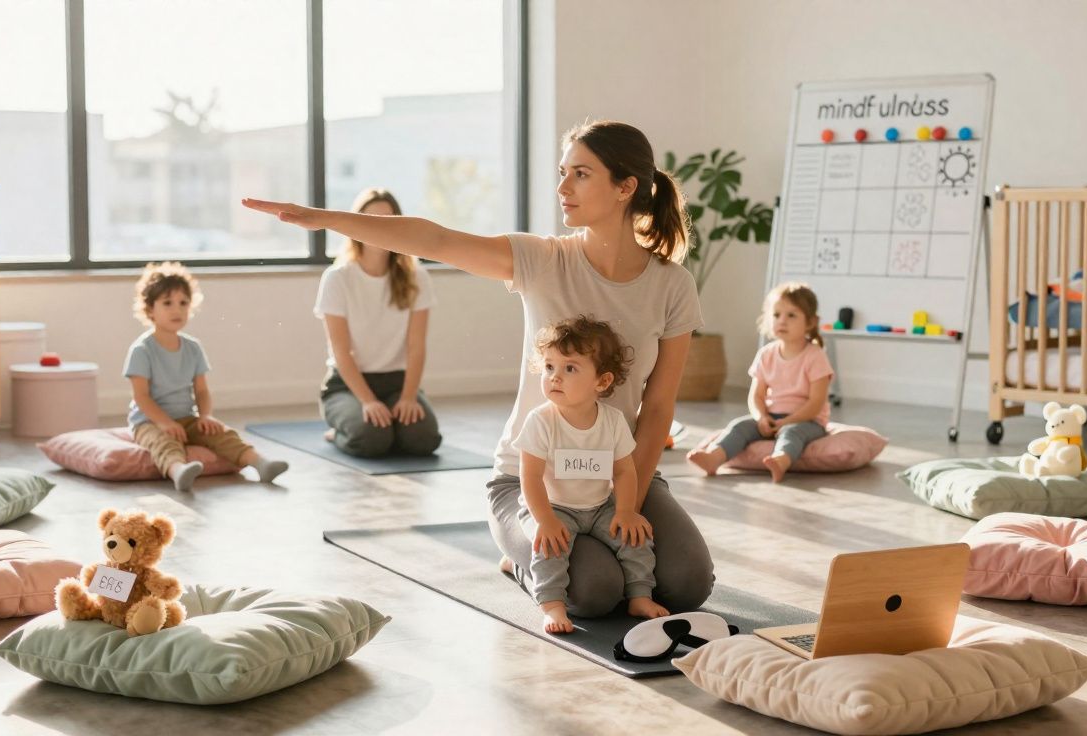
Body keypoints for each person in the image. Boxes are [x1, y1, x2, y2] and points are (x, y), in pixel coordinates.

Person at [244, 119, 714, 616]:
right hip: (530, 480)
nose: (562, 188)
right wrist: (327, 219)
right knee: (596, 591)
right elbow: (437, 240)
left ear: (625, 187)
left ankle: (559, 551)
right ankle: (519, 555)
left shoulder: (672, 284)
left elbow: (659, 405)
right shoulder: (542, 260)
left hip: (615, 474)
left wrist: (629, 501)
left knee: (686, 583)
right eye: (562, 172)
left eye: (580, 174)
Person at [515, 315, 667, 633]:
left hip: (599, 506)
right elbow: (529, 478)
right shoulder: (541, 421)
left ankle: (640, 595)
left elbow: (624, 471)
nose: (555, 377)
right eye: (549, 367)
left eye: (569, 368)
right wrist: (545, 519)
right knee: (551, 548)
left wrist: (625, 511)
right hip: (554, 506)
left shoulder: (611, 421)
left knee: (636, 538)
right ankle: (552, 606)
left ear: (602, 382)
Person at [124, 262, 289, 492]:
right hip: (150, 421)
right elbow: (141, 397)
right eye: (167, 303)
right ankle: (178, 470)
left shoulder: (193, 348)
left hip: (186, 417)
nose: (177, 310)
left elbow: (201, 390)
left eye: (183, 303)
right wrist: (165, 422)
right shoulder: (142, 350)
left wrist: (205, 416)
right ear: (150, 309)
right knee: (163, 442)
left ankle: (260, 463)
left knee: (222, 433)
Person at [313, 188, 442, 458]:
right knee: (372, 440)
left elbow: (416, 347)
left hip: (397, 383)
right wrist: (368, 401)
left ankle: (391, 426)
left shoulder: (417, 278)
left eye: (387, 221)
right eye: (370, 221)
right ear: (356, 225)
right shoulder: (337, 278)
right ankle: (338, 431)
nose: (378, 230)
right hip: (347, 386)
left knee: (424, 440)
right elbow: (341, 351)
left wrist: (408, 397)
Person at [686, 282, 833, 482]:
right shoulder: (766, 354)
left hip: (807, 421)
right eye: (776, 314)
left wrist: (787, 421)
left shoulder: (815, 356)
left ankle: (780, 460)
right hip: (771, 417)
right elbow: (756, 395)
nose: (782, 321)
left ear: (810, 322)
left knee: (791, 433)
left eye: (791, 315)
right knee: (739, 426)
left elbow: (816, 403)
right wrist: (761, 417)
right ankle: (714, 458)